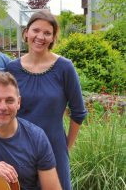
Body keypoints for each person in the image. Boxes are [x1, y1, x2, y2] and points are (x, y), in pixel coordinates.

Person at [6, 10, 87, 190]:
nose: (40, 37)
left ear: (53, 38)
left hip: (54, 148)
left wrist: (66, 147)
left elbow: (79, 112)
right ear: (26, 32)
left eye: (47, 33)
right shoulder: (12, 69)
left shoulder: (65, 68)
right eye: (36, 30)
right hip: (20, 149)